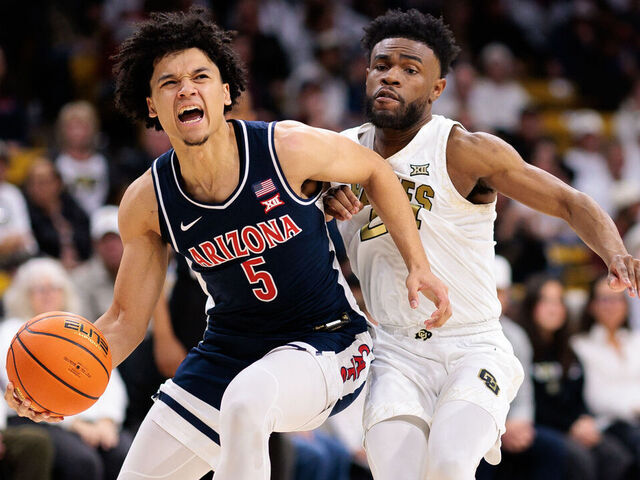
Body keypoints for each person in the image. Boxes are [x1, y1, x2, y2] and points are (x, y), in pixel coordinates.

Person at [5, 7, 450, 480]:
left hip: (329, 339)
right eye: (168, 82)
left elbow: (375, 170)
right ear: (152, 105)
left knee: (247, 399)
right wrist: (56, 382)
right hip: (228, 351)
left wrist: (417, 264)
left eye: (200, 76)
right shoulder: (146, 202)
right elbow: (122, 321)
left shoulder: (287, 149)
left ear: (224, 92)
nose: (186, 89)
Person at [324, 9, 640, 480]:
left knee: (450, 465)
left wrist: (614, 252)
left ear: (437, 89)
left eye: (410, 70)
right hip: (391, 347)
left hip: (470, 344)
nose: (391, 77)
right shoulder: (336, 153)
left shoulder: (462, 149)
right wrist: (323, 195)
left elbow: (569, 201)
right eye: (381, 65)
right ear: (365, 71)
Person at [0, 257, 132, 480]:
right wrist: (77, 424)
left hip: (93, 422)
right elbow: (19, 383)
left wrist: (107, 421)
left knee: (123, 454)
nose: (48, 294)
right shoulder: (13, 330)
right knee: (83, 463)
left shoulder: (79, 328)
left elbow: (110, 378)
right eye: (39, 289)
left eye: (55, 288)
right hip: (40, 420)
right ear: (24, 295)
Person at [519, 274, 633, 480]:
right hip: (538, 426)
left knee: (615, 456)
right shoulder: (522, 345)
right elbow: (532, 401)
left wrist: (583, 419)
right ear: (531, 305)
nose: (554, 308)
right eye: (546, 301)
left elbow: (577, 395)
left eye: (559, 301)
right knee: (579, 459)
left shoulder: (567, 349)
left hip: (572, 425)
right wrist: (570, 425)